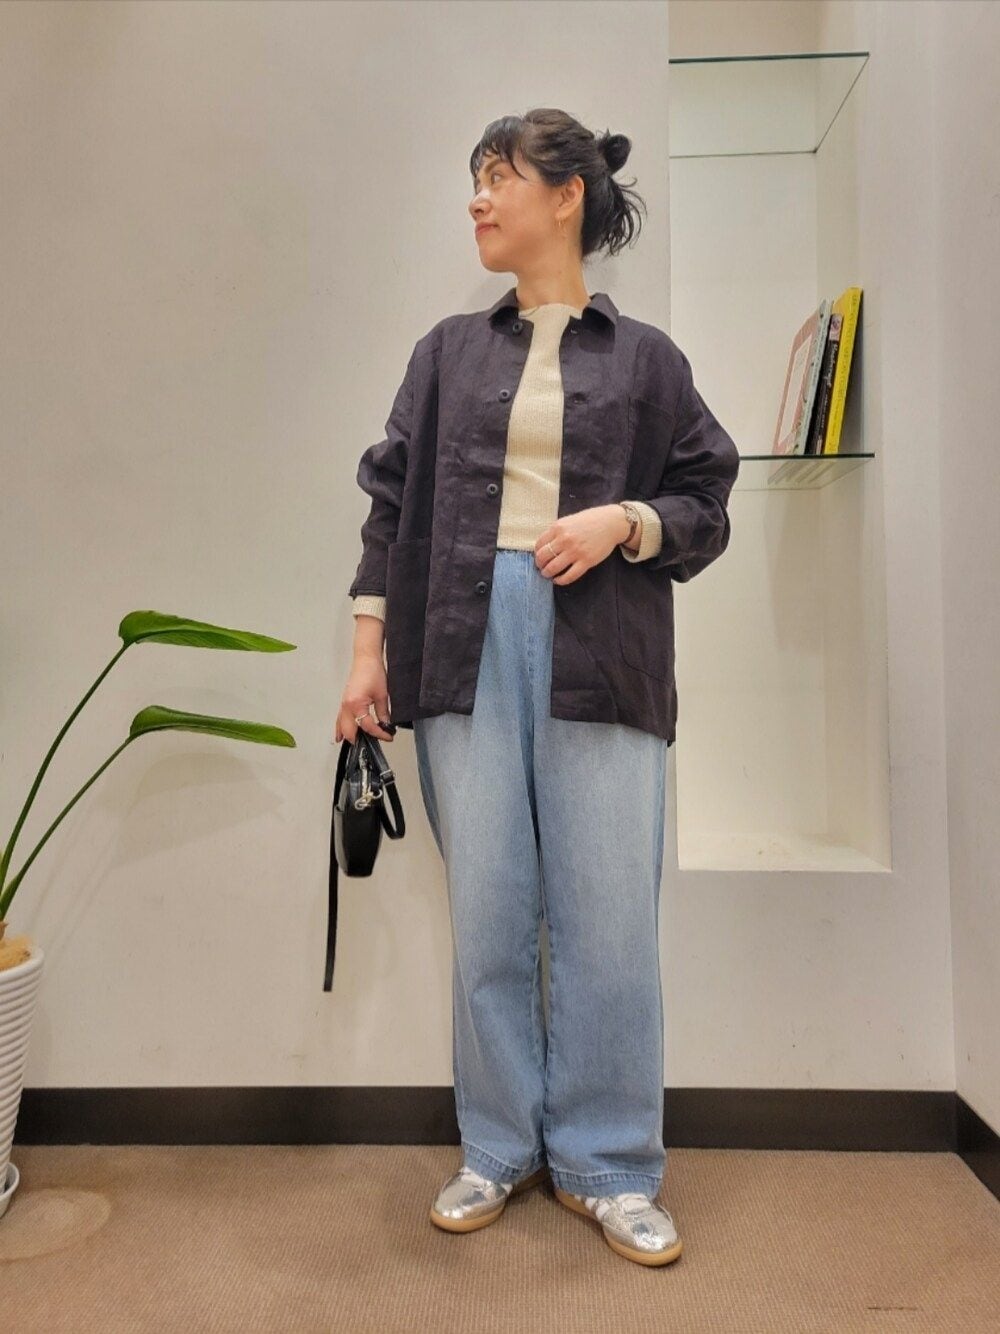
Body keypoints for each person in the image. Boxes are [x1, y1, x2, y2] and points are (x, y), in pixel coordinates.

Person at [337, 109, 739, 1267]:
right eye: (473, 179)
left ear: (566, 195)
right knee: (490, 911)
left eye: (498, 177)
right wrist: (366, 656)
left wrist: (625, 521)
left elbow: (708, 498)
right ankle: (497, 1141)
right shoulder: (445, 354)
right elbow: (389, 502)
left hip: (603, 646)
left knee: (608, 917)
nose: (477, 198)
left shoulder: (648, 359)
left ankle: (611, 1162)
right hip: (460, 641)